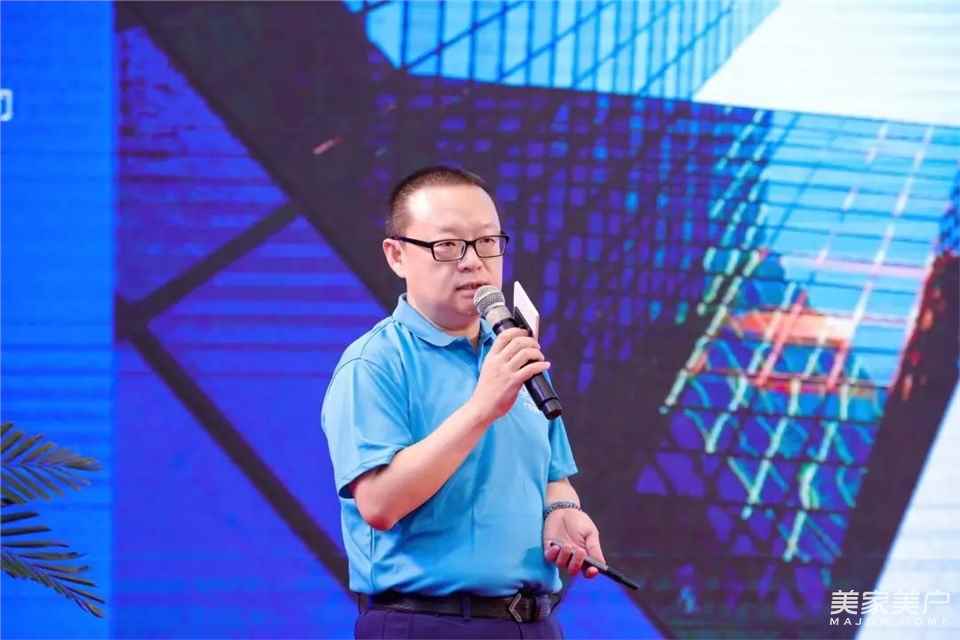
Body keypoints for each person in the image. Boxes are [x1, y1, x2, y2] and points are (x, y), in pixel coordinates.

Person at [321, 165, 605, 639]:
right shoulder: (374, 363)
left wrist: (562, 513)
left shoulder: (513, 350)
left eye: (487, 242)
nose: (473, 261)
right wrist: (481, 407)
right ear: (396, 255)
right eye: (448, 245)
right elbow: (380, 504)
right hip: (427, 622)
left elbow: (553, 476)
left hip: (532, 624)